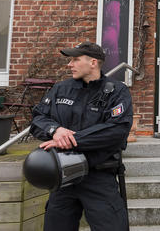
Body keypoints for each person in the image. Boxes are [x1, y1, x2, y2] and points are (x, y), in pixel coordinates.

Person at [30, 41, 132, 231]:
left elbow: (116, 130)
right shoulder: (61, 89)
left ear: (93, 63)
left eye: (75, 60)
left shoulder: (117, 91)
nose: (70, 65)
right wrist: (55, 131)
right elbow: (38, 118)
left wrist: (70, 140)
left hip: (98, 177)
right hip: (63, 178)